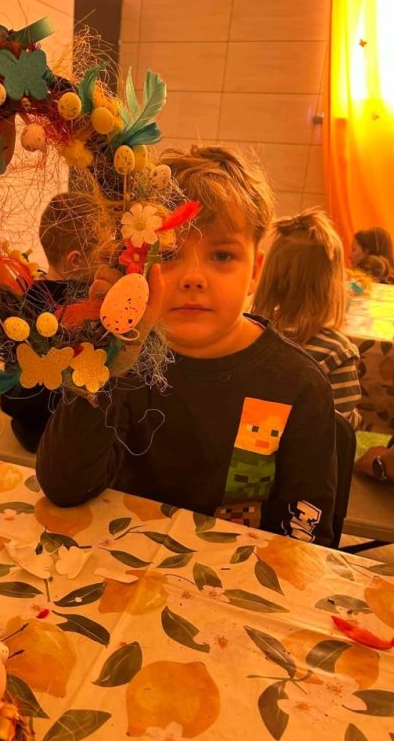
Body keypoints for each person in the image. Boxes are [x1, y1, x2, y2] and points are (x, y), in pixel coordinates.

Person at [37, 145, 338, 546]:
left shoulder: (298, 386)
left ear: (255, 273)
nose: (194, 277)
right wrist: (105, 347)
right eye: (170, 253)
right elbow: (64, 486)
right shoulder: (123, 360)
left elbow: (306, 539)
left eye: (222, 255)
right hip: (121, 558)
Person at [0, 192, 108, 452]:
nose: (108, 263)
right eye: (104, 256)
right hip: (64, 439)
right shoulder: (91, 307)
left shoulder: (24, 298)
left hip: (26, 429)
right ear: (75, 260)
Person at [252, 208, 362, 429]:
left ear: (270, 275)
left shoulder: (248, 335)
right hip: (306, 451)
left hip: (247, 448)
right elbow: (339, 430)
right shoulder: (336, 353)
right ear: (332, 284)